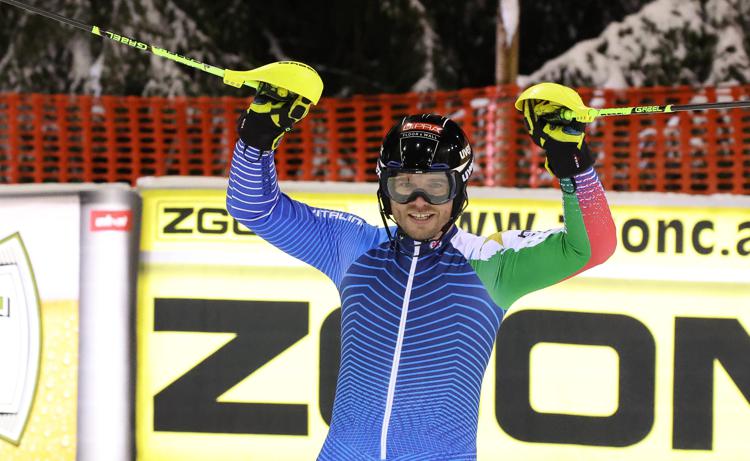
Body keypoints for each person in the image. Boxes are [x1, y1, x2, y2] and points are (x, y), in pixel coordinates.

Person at [226, 82, 616, 461]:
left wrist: (572, 165)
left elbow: (594, 246)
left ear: (459, 189)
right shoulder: (352, 247)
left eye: (435, 186)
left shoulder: (492, 264)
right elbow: (252, 206)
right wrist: (257, 137)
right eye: (403, 185)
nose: (419, 203)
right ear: (384, 189)